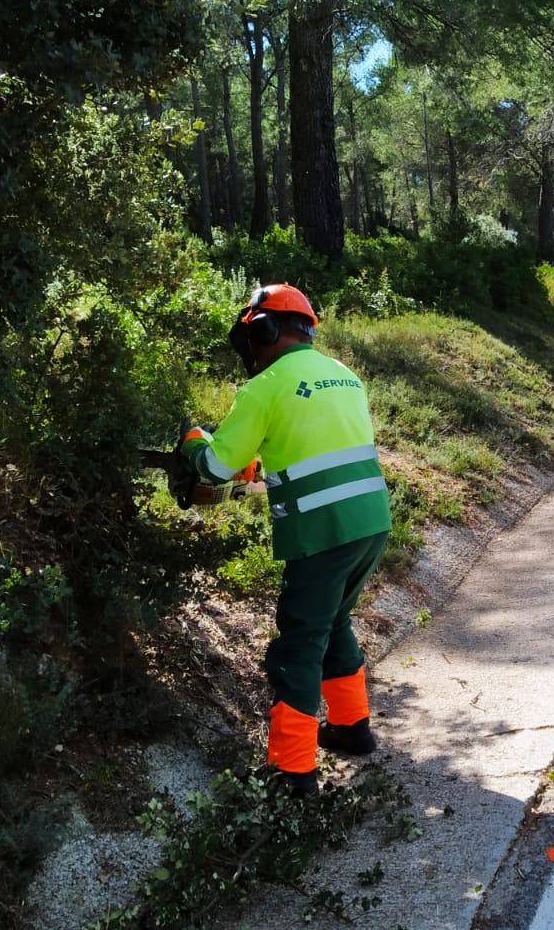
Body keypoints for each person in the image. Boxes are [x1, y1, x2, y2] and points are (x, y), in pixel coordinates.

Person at [179, 284, 391, 794]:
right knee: (334, 620)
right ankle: (351, 728)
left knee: (299, 642)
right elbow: (312, 441)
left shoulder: (265, 386)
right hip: (371, 522)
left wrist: (193, 446)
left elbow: (216, 467)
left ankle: (293, 771)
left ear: (263, 330)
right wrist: (258, 457)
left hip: (322, 531)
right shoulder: (344, 376)